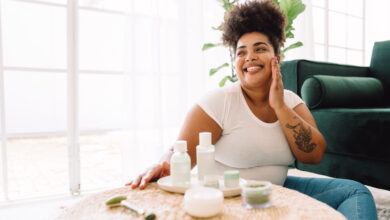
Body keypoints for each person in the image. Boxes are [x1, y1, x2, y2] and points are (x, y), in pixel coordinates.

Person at [126, 1, 378, 219]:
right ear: (235, 62)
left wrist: (279, 106)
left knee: (355, 192)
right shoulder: (219, 102)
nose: (249, 57)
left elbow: (314, 155)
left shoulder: (291, 102)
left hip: (276, 191)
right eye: (241, 52)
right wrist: (162, 165)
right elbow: (180, 155)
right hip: (229, 199)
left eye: (260, 49)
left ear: (276, 57)